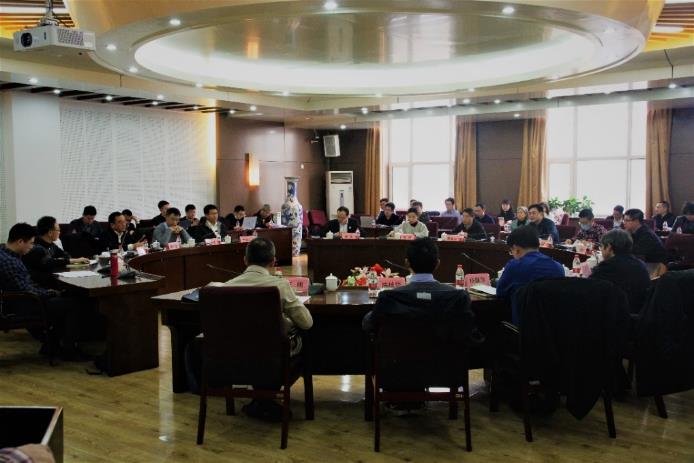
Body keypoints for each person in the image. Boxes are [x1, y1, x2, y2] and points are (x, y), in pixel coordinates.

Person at [214, 238, 313, 420]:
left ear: (245, 260)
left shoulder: (226, 287)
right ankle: (266, 399)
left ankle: (260, 399)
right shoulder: (279, 285)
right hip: (273, 356)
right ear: (273, 261)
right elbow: (306, 322)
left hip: (234, 356)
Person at [1, 223, 86, 360]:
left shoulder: (4, 253)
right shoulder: (11, 262)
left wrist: (50, 292)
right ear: (20, 241)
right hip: (22, 304)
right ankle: (69, 350)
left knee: (64, 299)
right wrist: (51, 293)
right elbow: (26, 291)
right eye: (30, 243)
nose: (32, 247)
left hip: (16, 301)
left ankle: (51, 344)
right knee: (72, 304)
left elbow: (26, 285)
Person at [362, 238, 478, 336]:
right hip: (445, 355)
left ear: (407, 263)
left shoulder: (388, 297)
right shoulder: (459, 297)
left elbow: (369, 325)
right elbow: (468, 329)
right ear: (437, 264)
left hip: (400, 356)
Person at [495, 226, 564, 325]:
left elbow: (500, 293)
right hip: (552, 327)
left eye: (511, 251)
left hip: (523, 327)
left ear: (516, 248)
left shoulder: (515, 265)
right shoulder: (558, 267)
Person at [590, 229, 651, 314]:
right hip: (639, 313)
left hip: (617, 315)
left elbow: (590, 289)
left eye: (602, 246)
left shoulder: (607, 267)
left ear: (609, 247)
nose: (601, 250)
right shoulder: (640, 264)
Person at [23, 216, 89, 288]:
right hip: (41, 286)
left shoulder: (51, 245)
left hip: (52, 280)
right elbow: (48, 262)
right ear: (50, 233)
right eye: (58, 230)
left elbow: (66, 255)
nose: (59, 232)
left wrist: (59, 260)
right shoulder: (36, 247)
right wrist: (74, 260)